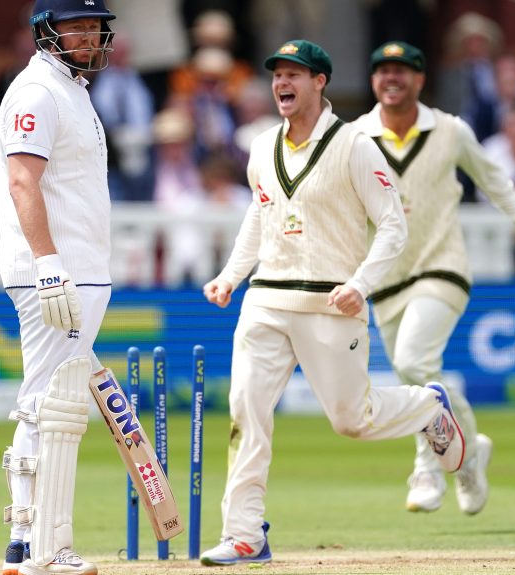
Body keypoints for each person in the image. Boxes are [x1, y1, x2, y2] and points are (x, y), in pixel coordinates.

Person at [200, 39, 467, 567]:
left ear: (319, 82)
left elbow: (394, 225)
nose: (282, 82)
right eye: (277, 73)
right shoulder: (259, 147)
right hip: (267, 301)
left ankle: (428, 407)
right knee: (245, 413)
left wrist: (361, 284)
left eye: (294, 74)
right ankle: (245, 532)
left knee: (353, 420)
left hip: (331, 304)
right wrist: (231, 276)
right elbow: (260, 213)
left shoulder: (355, 145)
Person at [353, 41, 515, 516]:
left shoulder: (449, 131)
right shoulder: (355, 137)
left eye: (402, 70)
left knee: (412, 360)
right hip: (385, 278)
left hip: (442, 266)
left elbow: (493, 178)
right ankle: (466, 457)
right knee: (415, 374)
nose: (391, 79)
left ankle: (426, 467)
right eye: (382, 71)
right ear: (373, 81)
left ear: (420, 80)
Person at [0, 1, 117, 574]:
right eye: (77, 24)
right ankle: (47, 547)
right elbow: (23, 178)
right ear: (47, 31)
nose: (90, 34)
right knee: (52, 405)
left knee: (44, 402)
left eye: (95, 25)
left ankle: (25, 542)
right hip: (55, 270)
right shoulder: (38, 90)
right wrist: (47, 261)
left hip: (78, 267)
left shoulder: (73, 89)